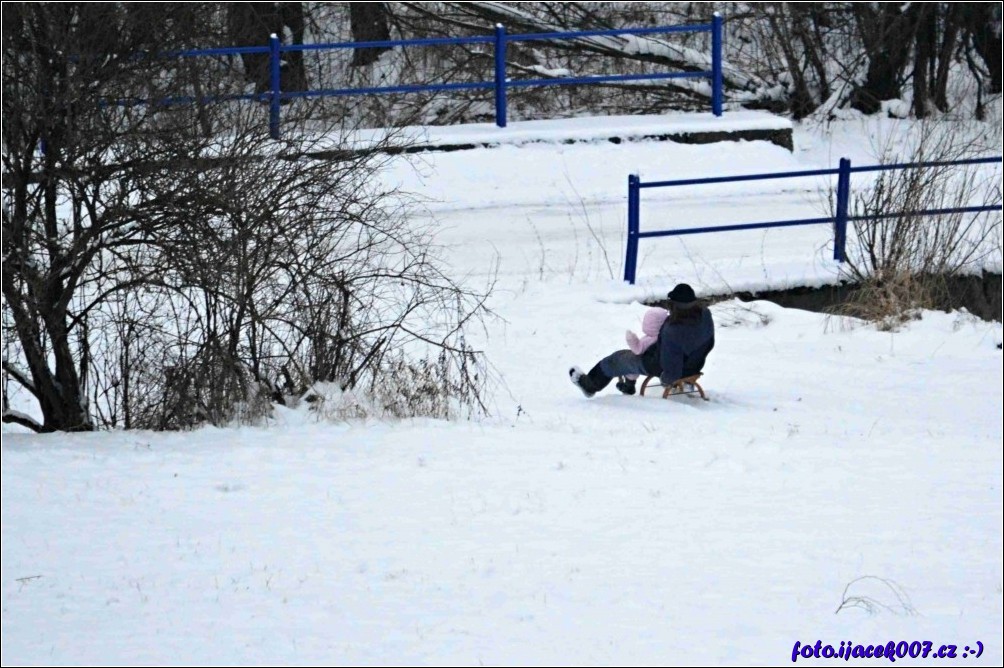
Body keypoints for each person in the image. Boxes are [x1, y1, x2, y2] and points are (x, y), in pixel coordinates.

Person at [570, 283, 714, 398]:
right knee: (630, 355)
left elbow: (671, 366)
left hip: (660, 366)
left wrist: (667, 379)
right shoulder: (704, 315)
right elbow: (709, 343)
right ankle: (628, 385)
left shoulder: (673, 330)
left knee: (617, 359)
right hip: (694, 365)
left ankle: (590, 386)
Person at [616, 306, 669, 395]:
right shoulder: (666, 336)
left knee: (631, 366)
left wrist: (631, 339)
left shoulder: (651, 339)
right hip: (661, 362)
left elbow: (638, 349)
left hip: (648, 362)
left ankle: (629, 386)